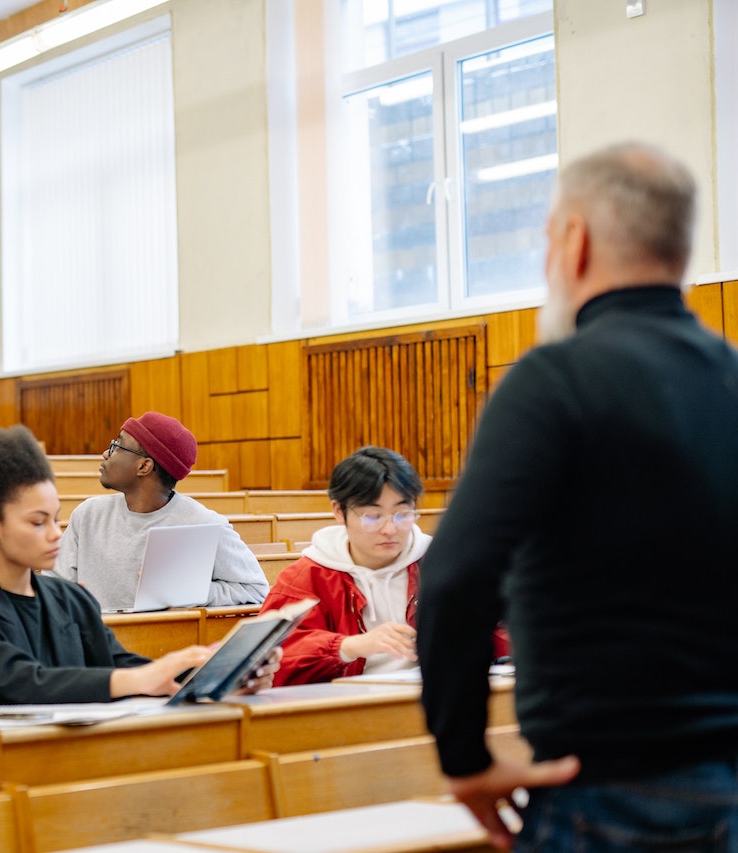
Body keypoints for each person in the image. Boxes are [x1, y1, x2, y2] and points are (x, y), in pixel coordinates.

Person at [417, 142, 738, 850]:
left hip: (605, 790)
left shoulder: (554, 381)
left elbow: (456, 575)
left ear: (574, 238)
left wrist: (463, 754)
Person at [0, 425, 280, 717]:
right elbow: (22, 682)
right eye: (38, 523)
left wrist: (221, 676)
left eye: (56, 520)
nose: (56, 534)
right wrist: (145, 675)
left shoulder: (70, 599)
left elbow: (124, 665)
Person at [46, 412, 268, 610]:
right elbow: (53, 587)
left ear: (144, 466)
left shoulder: (205, 524)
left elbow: (257, 590)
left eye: (117, 447)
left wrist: (191, 592)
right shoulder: (88, 515)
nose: (106, 453)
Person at [257, 447, 429, 684]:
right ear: (339, 511)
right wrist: (348, 646)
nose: (390, 529)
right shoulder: (306, 578)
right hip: (345, 707)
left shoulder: (437, 564)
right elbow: (270, 660)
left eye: (402, 514)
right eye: (373, 516)